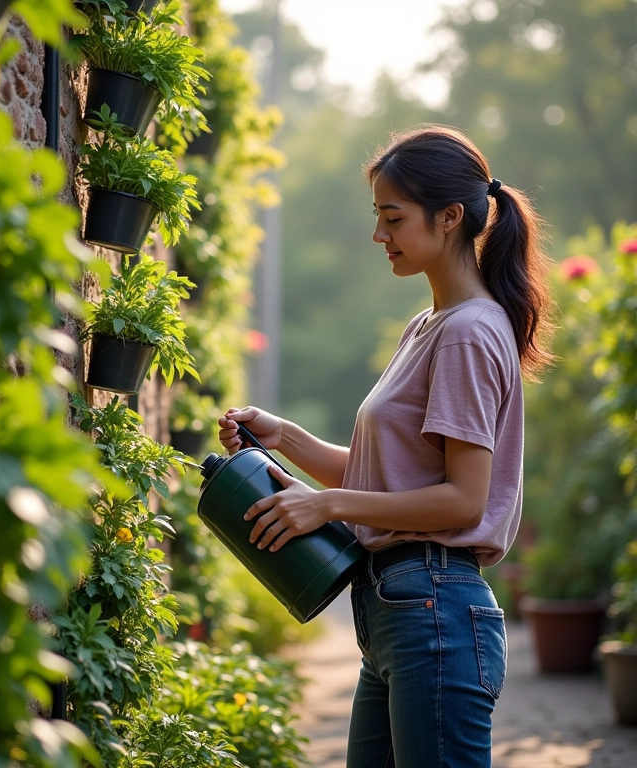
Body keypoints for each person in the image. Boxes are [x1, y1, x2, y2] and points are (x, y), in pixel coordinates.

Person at [217, 125, 554, 768]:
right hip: (397, 613)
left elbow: (462, 500)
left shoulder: (466, 334)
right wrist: (281, 437)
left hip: (433, 608)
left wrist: (327, 506)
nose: (380, 236)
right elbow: (387, 478)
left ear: (449, 218)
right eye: (379, 217)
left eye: (393, 218)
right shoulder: (428, 327)